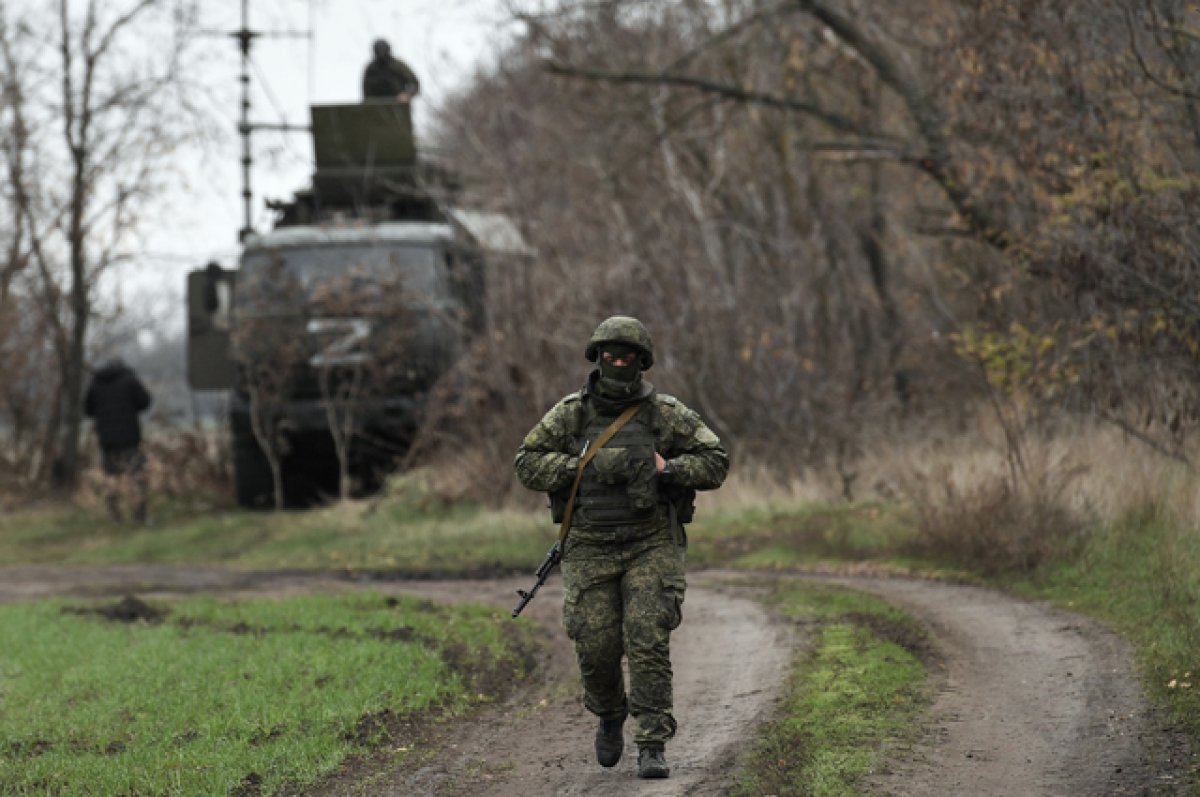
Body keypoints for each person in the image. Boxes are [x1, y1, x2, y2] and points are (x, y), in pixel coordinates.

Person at [514, 316, 729, 779]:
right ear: (596, 357)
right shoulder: (571, 413)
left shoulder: (663, 413)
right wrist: (577, 468)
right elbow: (527, 461)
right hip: (589, 545)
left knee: (648, 638)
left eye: (626, 355)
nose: (617, 361)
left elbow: (715, 461)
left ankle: (652, 742)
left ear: (641, 361)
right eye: (610, 353)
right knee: (596, 645)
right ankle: (610, 712)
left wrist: (667, 468)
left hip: (651, 542)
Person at [84, 358, 152, 523]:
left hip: (107, 440)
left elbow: (87, 409)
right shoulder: (129, 380)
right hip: (129, 438)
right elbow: (145, 402)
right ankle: (140, 515)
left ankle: (115, 516)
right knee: (136, 475)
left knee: (111, 477)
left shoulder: (95, 383)